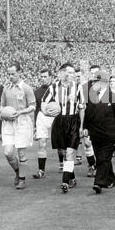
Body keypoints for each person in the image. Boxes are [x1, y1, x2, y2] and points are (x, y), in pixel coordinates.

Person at [83, 70, 115, 194]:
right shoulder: (92, 96)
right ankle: (111, 179)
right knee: (101, 158)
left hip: (108, 133)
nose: (93, 83)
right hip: (95, 133)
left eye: (95, 81)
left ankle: (99, 182)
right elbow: (88, 113)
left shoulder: (114, 97)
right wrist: (85, 127)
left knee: (103, 158)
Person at [48, 63, 85, 193]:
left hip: (73, 121)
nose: (71, 75)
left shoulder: (78, 87)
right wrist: (48, 112)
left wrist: (81, 126)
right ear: (62, 73)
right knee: (63, 153)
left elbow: (82, 108)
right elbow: (43, 103)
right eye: (69, 72)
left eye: (73, 73)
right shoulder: (53, 87)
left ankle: (65, 182)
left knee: (70, 153)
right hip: (59, 121)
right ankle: (72, 177)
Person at [0, 62, 36, 190]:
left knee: (21, 154)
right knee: (8, 152)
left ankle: (22, 179)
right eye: (9, 74)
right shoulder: (6, 88)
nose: (10, 76)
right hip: (8, 123)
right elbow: (2, 105)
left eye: (13, 74)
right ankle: (17, 171)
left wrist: (20, 112)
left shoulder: (26, 88)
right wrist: (2, 114)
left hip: (22, 122)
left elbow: (33, 106)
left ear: (19, 72)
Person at [32, 68, 53, 179]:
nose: (43, 79)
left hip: (55, 117)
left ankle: (62, 165)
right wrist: (35, 126)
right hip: (42, 117)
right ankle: (41, 170)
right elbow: (36, 109)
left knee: (60, 145)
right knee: (42, 143)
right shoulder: (37, 92)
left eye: (45, 76)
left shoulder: (56, 89)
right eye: (42, 77)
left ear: (50, 77)